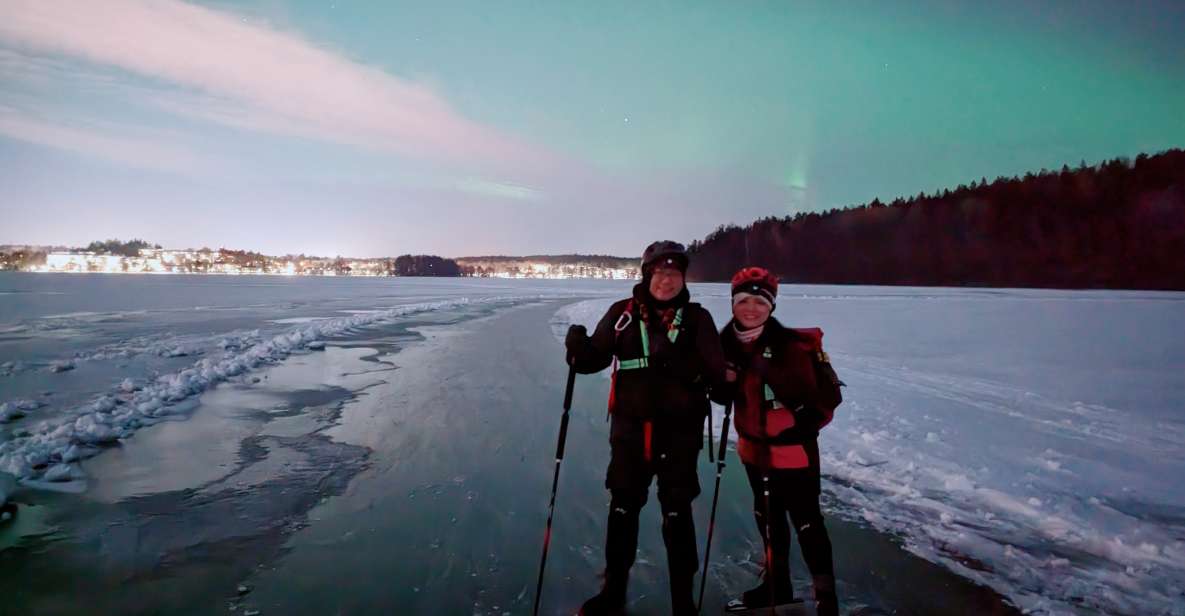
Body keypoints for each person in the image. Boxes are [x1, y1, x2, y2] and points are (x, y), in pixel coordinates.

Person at [565, 240, 726, 616]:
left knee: (677, 515)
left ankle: (683, 602)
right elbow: (591, 360)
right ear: (646, 276)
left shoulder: (698, 320)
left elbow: (719, 380)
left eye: (674, 274)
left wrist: (712, 378)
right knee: (622, 511)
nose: (666, 281)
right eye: (659, 273)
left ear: (683, 278)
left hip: (681, 437)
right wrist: (577, 348)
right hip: (630, 436)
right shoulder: (621, 314)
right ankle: (613, 594)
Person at [719, 267, 841, 616]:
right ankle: (777, 585)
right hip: (754, 451)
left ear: (771, 306)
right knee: (768, 519)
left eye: (760, 301)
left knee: (807, 522)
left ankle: (826, 599)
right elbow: (720, 393)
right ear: (733, 304)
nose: (751, 308)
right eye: (744, 300)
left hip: (793, 453)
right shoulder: (726, 343)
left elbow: (820, 401)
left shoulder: (790, 347)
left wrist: (798, 418)